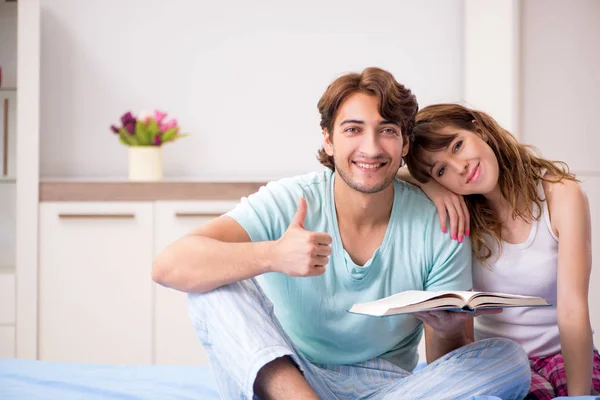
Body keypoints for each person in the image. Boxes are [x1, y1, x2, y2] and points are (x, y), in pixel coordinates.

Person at [152, 68, 530, 400]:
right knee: (213, 288)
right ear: (329, 140)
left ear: (404, 145)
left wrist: (447, 331)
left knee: (509, 361)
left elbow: (445, 365)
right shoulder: (290, 199)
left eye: (387, 131)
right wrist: (272, 255)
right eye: (353, 129)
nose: (371, 147)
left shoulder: (442, 220)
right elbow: (169, 265)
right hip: (289, 379)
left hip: (391, 387)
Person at [402, 103, 600, 399]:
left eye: (457, 146)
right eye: (441, 170)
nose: (460, 168)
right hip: (498, 363)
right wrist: (428, 186)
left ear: (478, 129)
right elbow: (383, 179)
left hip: (562, 355)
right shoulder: (457, 215)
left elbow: (573, 310)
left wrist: (579, 397)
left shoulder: (561, 195)